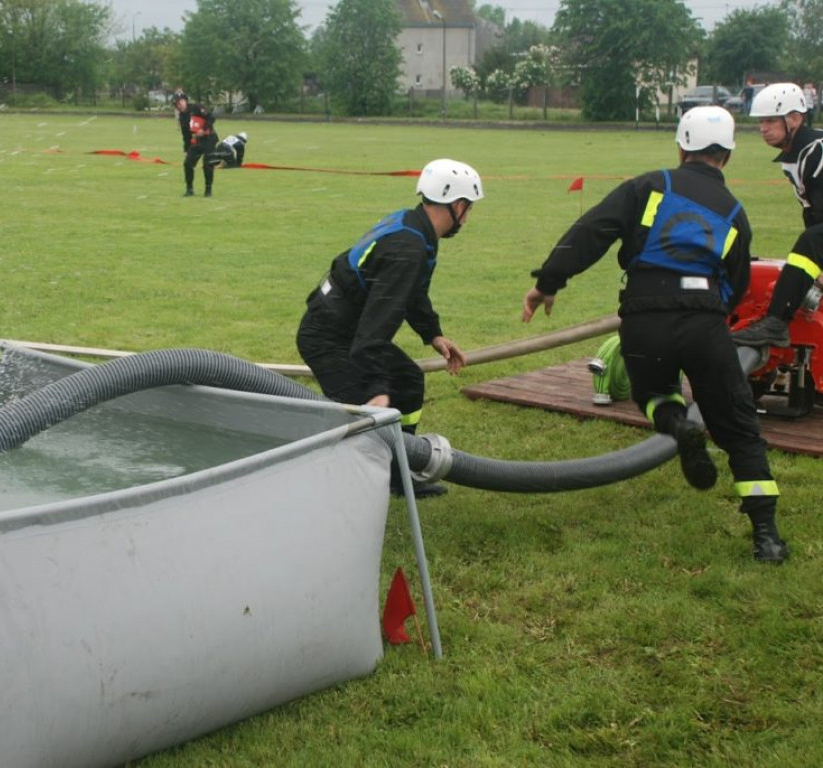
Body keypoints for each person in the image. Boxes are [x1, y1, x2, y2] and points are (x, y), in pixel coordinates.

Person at [521, 106, 787, 563]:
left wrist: (548, 282)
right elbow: (738, 283)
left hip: (644, 317)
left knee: (653, 393)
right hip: (705, 319)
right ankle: (767, 536)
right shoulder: (735, 212)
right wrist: (709, 315)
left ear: (682, 147)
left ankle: (679, 426)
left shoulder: (650, 186)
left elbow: (592, 231)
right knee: (741, 428)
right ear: (726, 155)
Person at [296, 158, 479, 498]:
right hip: (327, 337)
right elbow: (375, 329)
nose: (468, 218)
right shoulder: (407, 249)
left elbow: (411, 293)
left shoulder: (414, 227)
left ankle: (399, 474)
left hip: (345, 330)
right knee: (363, 413)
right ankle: (334, 487)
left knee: (409, 380)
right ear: (457, 205)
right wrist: (377, 386)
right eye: (469, 209)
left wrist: (433, 334)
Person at [730, 83, 823, 348]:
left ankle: (775, 323)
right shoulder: (797, 154)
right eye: (761, 122)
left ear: (795, 118)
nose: (763, 128)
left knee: (810, 243)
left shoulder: (816, 151)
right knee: (811, 242)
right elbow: (814, 214)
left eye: (771, 120)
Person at [171, 89, 218, 197]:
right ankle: (189, 189)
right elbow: (185, 134)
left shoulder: (197, 107)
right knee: (187, 164)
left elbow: (211, 118)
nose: (179, 106)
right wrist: (186, 149)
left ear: (185, 100)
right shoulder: (182, 116)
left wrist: (204, 129)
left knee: (207, 165)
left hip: (209, 139)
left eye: (180, 102)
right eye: (176, 104)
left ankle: (208, 190)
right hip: (197, 141)